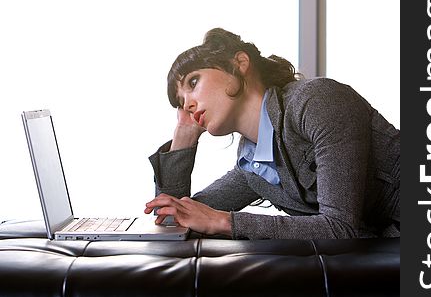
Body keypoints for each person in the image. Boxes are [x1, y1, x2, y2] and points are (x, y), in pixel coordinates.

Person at [144, 28, 400, 240]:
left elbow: (340, 227)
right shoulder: (252, 169)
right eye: (180, 101)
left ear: (239, 63)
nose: (187, 104)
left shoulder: (316, 101)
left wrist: (226, 222)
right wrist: (183, 140)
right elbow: (175, 219)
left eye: (193, 83)